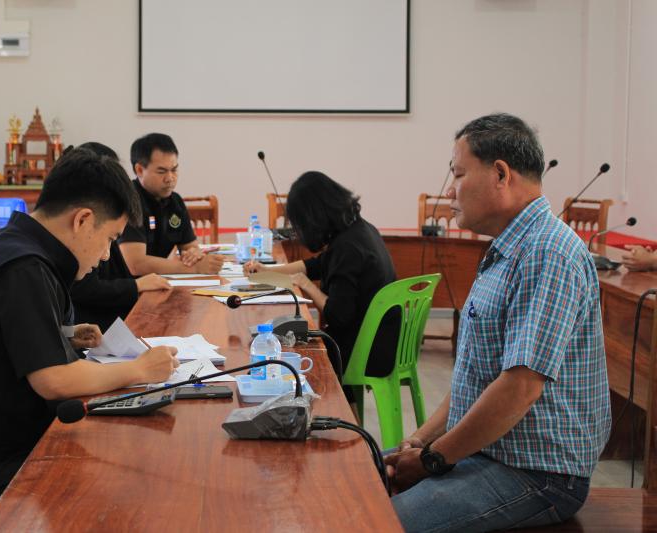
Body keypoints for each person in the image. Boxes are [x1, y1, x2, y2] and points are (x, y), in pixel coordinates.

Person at [385, 113, 611, 532]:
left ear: (501, 174)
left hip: (538, 474)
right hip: (488, 452)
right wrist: (420, 440)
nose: (450, 190)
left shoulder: (546, 252)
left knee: (377, 521)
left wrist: (433, 459)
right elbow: (476, 379)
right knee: (357, 477)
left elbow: (519, 388)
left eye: (458, 174)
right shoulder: (509, 248)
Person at [0, 147, 180, 520]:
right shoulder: (24, 268)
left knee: (132, 466)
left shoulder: (8, 245)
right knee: (132, 490)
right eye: (110, 238)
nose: (107, 255)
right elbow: (53, 380)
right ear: (83, 220)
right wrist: (140, 369)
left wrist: (63, 335)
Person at [245, 171, 399, 409]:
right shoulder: (359, 230)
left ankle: (331, 415)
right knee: (298, 339)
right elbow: (317, 265)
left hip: (365, 350)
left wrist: (306, 285)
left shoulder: (348, 247)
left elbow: (338, 315)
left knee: (298, 353)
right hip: (379, 341)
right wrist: (268, 271)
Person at [69, 142, 170, 331]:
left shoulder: (107, 218)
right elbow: (84, 288)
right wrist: (135, 285)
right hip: (101, 327)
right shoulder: (81, 229)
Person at [118, 133, 224, 275]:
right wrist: (195, 268)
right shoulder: (128, 200)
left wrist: (194, 255)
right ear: (139, 170)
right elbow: (135, 264)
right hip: (126, 284)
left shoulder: (175, 202)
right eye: (161, 171)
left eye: (174, 170)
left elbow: (191, 247)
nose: (170, 178)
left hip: (157, 282)